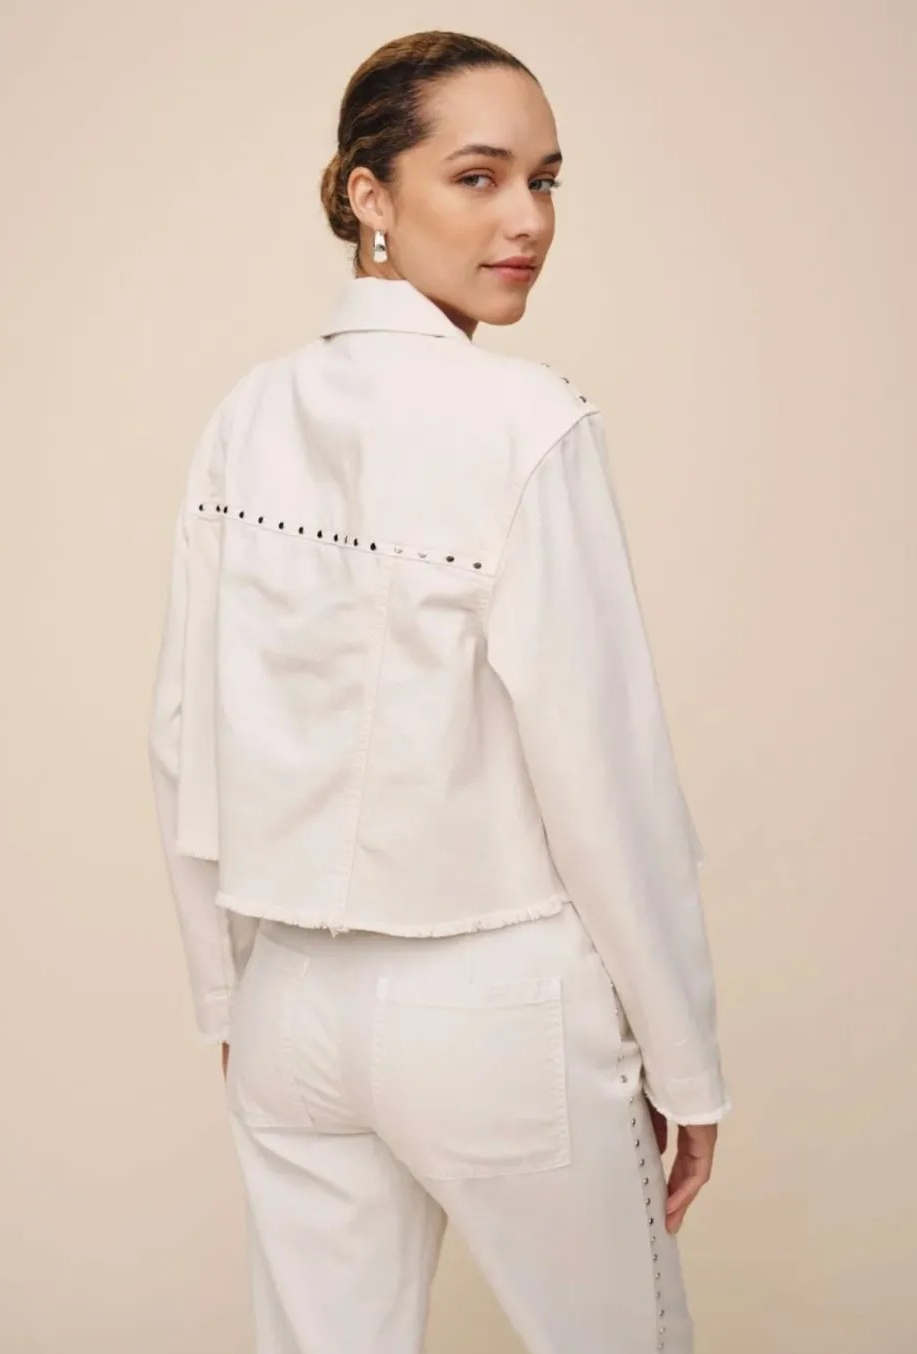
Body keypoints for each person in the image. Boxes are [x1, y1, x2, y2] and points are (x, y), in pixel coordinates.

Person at [147, 28, 731, 1354]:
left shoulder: (246, 414)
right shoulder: (528, 421)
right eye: (479, 176)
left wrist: (228, 1000)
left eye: (546, 179)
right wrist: (687, 1062)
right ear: (370, 192)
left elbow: (180, 736)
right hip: (497, 1000)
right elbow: (603, 775)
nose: (528, 219)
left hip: (291, 1001)